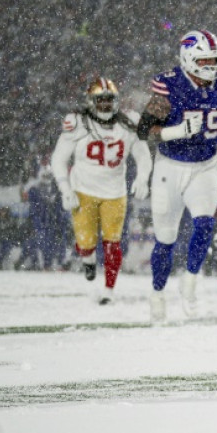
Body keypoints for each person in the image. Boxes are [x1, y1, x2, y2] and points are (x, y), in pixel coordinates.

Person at [136, 30, 217, 321]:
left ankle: (191, 279)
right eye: (205, 59)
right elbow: (143, 129)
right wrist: (176, 131)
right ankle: (157, 291)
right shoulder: (170, 84)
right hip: (170, 166)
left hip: (205, 166)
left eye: (215, 59)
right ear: (188, 58)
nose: (212, 65)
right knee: (166, 239)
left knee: (205, 224)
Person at [50, 77, 151, 304]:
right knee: (85, 243)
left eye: (109, 100)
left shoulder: (128, 123)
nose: (105, 105)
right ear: (90, 101)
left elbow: (143, 154)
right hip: (83, 190)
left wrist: (143, 178)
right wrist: (65, 188)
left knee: (112, 243)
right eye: (100, 101)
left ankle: (109, 289)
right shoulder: (78, 123)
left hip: (115, 192)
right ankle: (87, 260)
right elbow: (59, 158)